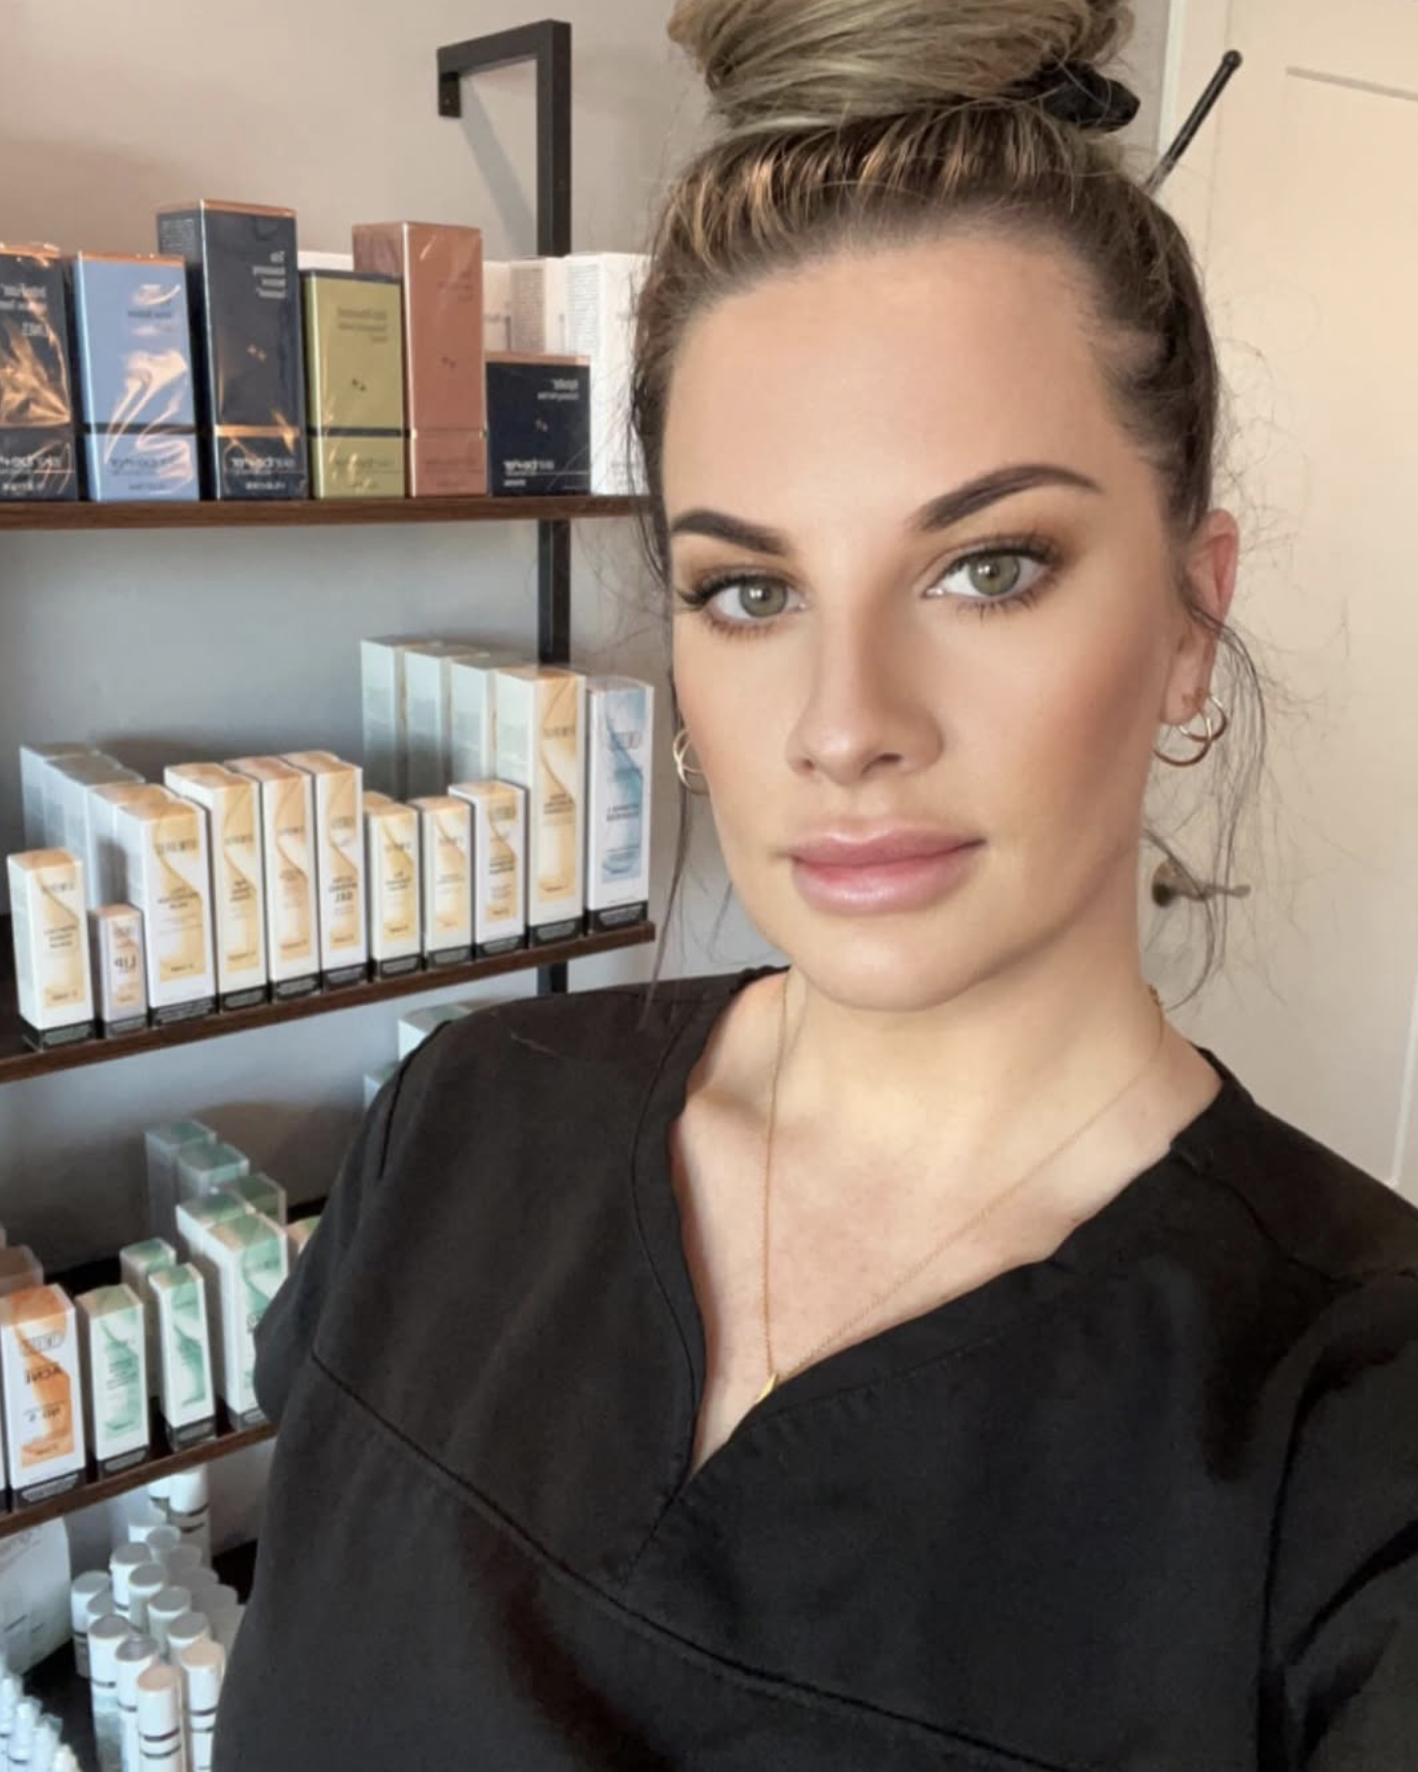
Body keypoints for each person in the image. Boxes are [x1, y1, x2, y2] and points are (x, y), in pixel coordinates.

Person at [214, 2, 1418, 1767]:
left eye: (988, 565)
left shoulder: (1352, 1439)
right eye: (748, 593)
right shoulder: (459, 1127)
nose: (845, 727)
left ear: (1188, 615)